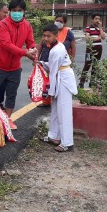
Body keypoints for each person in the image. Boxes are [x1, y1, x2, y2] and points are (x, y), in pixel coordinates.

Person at [0, 0, 37, 130]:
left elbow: (30, 42)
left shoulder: (27, 25)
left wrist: (33, 51)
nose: (17, 13)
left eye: (19, 11)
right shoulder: (3, 24)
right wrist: (26, 52)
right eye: (14, 10)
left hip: (14, 68)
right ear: (9, 11)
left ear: (24, 11)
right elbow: (7, 45)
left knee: (11, 95)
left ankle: (7, 120)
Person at [38, 24, 78, 152]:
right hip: (60, 77)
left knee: (64, 111)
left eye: (48, 36)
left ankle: (67, 142)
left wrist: (50, 91)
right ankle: (54, 136)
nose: (45, 38)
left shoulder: (57, 50)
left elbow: (54, 71)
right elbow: (52, 66)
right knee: (55, 110)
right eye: (44, 36)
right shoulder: (55, 47)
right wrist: (42, 63)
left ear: (56, 35)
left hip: (63, 80)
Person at [36, 13, 76, 106]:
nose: (58, 22)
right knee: (47, 82)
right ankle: (46, 100)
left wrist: (51, 92)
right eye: (57, 20)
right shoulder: (51, 36)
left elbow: (53, 72)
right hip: (49, 60)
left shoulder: (59, 47)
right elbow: (40, 46)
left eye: (61, 21)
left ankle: (49, 96)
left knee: (61, 107)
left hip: (60, 68)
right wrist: (39, 61)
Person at [79, 12, 106, 88]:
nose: (98, 20)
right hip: (90, 50)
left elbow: (103, 37)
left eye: (99, 19)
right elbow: (87, 39)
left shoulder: (100, 28)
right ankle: (81, 82)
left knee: (95, 66)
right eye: (96, 19)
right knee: (87, 65)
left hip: (98, 50)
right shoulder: (88, 28)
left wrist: (100, 28)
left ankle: (92, 82)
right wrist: (98, 38)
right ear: (92, 19)